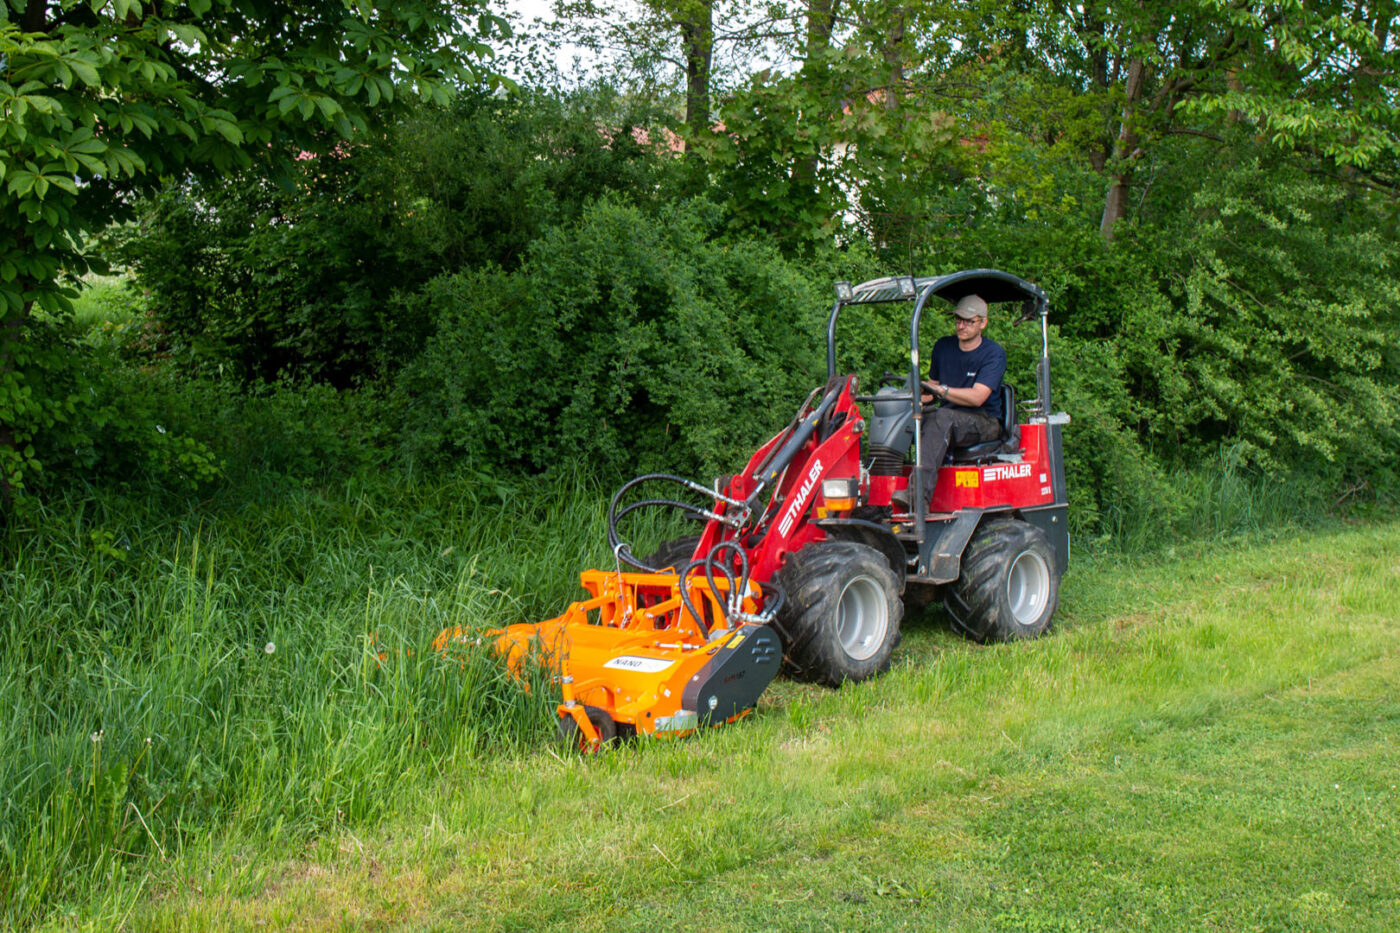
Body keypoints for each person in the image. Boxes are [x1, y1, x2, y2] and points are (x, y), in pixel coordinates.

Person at [892, 294, 1006, 510]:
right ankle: (880, 489)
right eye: (958, 320)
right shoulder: (943, 347)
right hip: (948, 417)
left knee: (941, 417)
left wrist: (941, 391)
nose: (961, 326)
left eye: (968, 321)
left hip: (984, 420)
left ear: (983, 323)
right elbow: (932, 388)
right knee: (904, 415)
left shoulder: (993, 354)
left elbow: (977, 397)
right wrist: (915, 399)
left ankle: (918, 497)